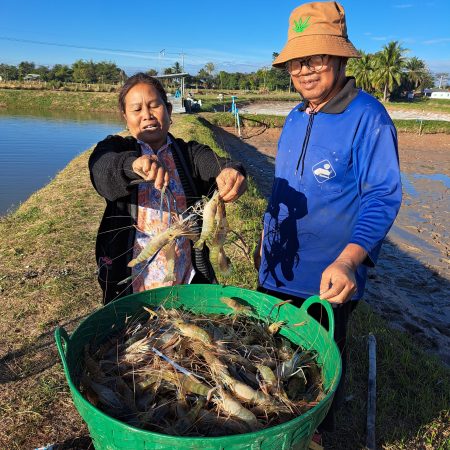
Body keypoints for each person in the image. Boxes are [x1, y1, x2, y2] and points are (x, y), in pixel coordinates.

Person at [255, 0, 402, 439]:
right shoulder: (295, 116)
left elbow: (382, 196)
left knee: (316, 378)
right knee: (268, 370)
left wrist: (349, 261)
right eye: (296, 61)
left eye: (316, 58)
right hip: (275, 272)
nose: (304, 70)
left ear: (339, 57)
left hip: (327, 283)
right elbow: (284, 189)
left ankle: (316, 438)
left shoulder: (368, 117)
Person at [89, 73, 247, 304]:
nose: (147, 115)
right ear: (125, 117)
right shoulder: (115, 148)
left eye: (154, 106)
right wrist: (133, 166)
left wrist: (233, 171)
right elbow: (101, 169)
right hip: (134, 284)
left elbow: (217, 163)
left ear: (169, 110)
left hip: (185, 277)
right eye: (137, 110)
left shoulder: (188, 153)